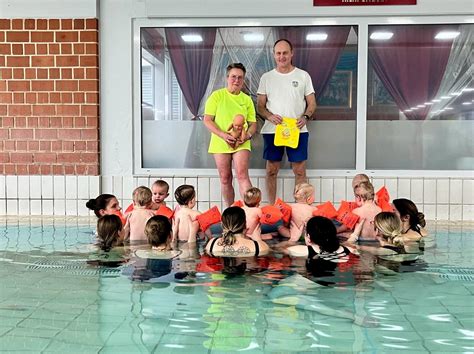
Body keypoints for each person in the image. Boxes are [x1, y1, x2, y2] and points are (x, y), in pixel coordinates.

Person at [257, 39, 317, 204]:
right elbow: (260, 106)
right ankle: (272, 208)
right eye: (278, 53)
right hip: (272, 130)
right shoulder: (266, 77)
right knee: (271, 170)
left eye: (285, 53)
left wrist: (305, 117)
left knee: (299, 171)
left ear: (292, 53)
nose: (281, 56)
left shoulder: (303, 75)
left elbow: (312, 103)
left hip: (297, 130)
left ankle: (300, 208)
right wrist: (269, 116)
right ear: (274, 55)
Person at [203, 63, 258, 207]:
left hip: (242, 142)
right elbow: (207, 120)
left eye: (240, 78)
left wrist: (248, 136)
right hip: (220, 141)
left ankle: (249, 210)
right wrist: (223, 135)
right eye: (233, 77)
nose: (236, 80)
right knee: (225, 178)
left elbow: (253, 124)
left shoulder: (246, 100)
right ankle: (230, 212)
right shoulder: (217, 96)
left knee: (242, 175)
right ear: (227, 78)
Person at [205, 207, 269, 257]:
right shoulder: (259, 246)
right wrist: (258, 240)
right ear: (245, 224)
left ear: (222, 225)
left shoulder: (212, 244)